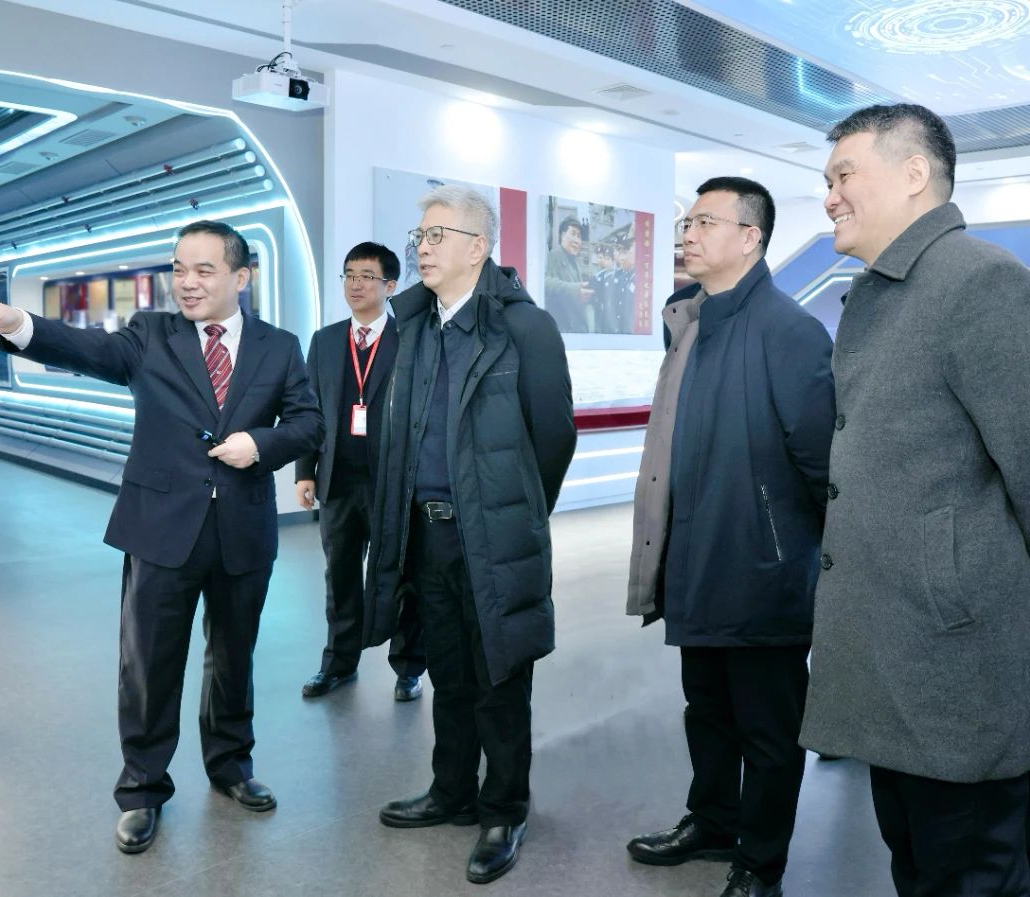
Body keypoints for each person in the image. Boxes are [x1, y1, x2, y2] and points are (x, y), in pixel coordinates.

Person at [0, 219, 323, 855]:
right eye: (179, 269)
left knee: (235, 658)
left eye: (204, 270)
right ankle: (143, 790)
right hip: (161, 530)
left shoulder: (279, 347)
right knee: (149, 664)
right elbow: (85, 348)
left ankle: (231, 765)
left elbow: (308, 423)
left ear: (241, 277)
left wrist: (260, 444)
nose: (187, 283)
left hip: (242, 530)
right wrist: (16, 322)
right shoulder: (151, 335)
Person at [800, 103, 1030, 896]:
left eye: (844, 174)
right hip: (894, 659)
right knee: (921, 866)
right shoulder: (882, 292)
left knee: (970, 874)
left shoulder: (979, 283)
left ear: (914, 174)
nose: (829, 195)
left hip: (957, 670)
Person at [625, 176, 835, 897]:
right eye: (686, 222)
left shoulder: (789, 330)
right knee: (707, 710)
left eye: (704, 222)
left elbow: (822, 466)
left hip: (762, 568)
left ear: (750, 237)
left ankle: (760, 861)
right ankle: (712, 820)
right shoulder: (689, 322)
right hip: (694, 557)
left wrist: (799, 557)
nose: (686, 233)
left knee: (768, 731)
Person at [364, 185, 576, 885]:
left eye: (436, 236)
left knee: (499, 677)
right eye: (418, 236)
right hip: (425, 536)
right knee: (448, 674)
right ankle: (450, 790)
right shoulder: (414, 327)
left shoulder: (525, 328)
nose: (421, 248)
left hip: (491, 534)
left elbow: (553, 438)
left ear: (478, 247)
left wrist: (513, 511)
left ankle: (503, 809)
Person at [294, 241, 426, 701]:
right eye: (350, 275)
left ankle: (408, 667)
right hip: (338, 480)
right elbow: (308, 411)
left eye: (367, 276)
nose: (356, 284)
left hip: (393, 482)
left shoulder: (410, 339)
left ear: (390, 286)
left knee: (402, 575)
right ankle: (338, 663)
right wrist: (305, 471)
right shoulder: (325, 341)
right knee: (340, 577)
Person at [543, 216, 590, 333]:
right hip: (562, 329)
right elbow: (545, 283)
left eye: (579, 236)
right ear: (563, 235)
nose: (577, 240)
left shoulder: (574, 262)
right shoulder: (554, 255)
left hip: (575, 329)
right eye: (573, 234)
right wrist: (575, 290)